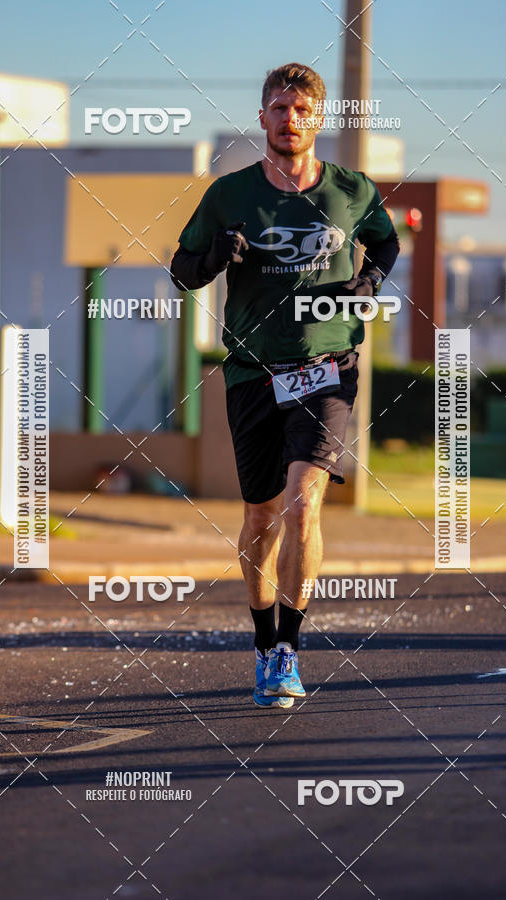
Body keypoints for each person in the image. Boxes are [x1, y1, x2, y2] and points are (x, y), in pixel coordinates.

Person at [170, 62, 399, 709]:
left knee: (303, 502)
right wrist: (214, 257)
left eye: (302, 109)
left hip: (327, 369)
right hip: (251, 371)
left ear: (318, 118)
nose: (289, 119)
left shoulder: (352, 190)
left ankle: (286, 652)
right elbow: (182, 270)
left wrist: (369, 283)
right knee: (262, 514)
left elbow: (385, 244)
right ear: (263, 116)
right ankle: (261, 636)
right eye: (278, 107)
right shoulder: (229, 194)